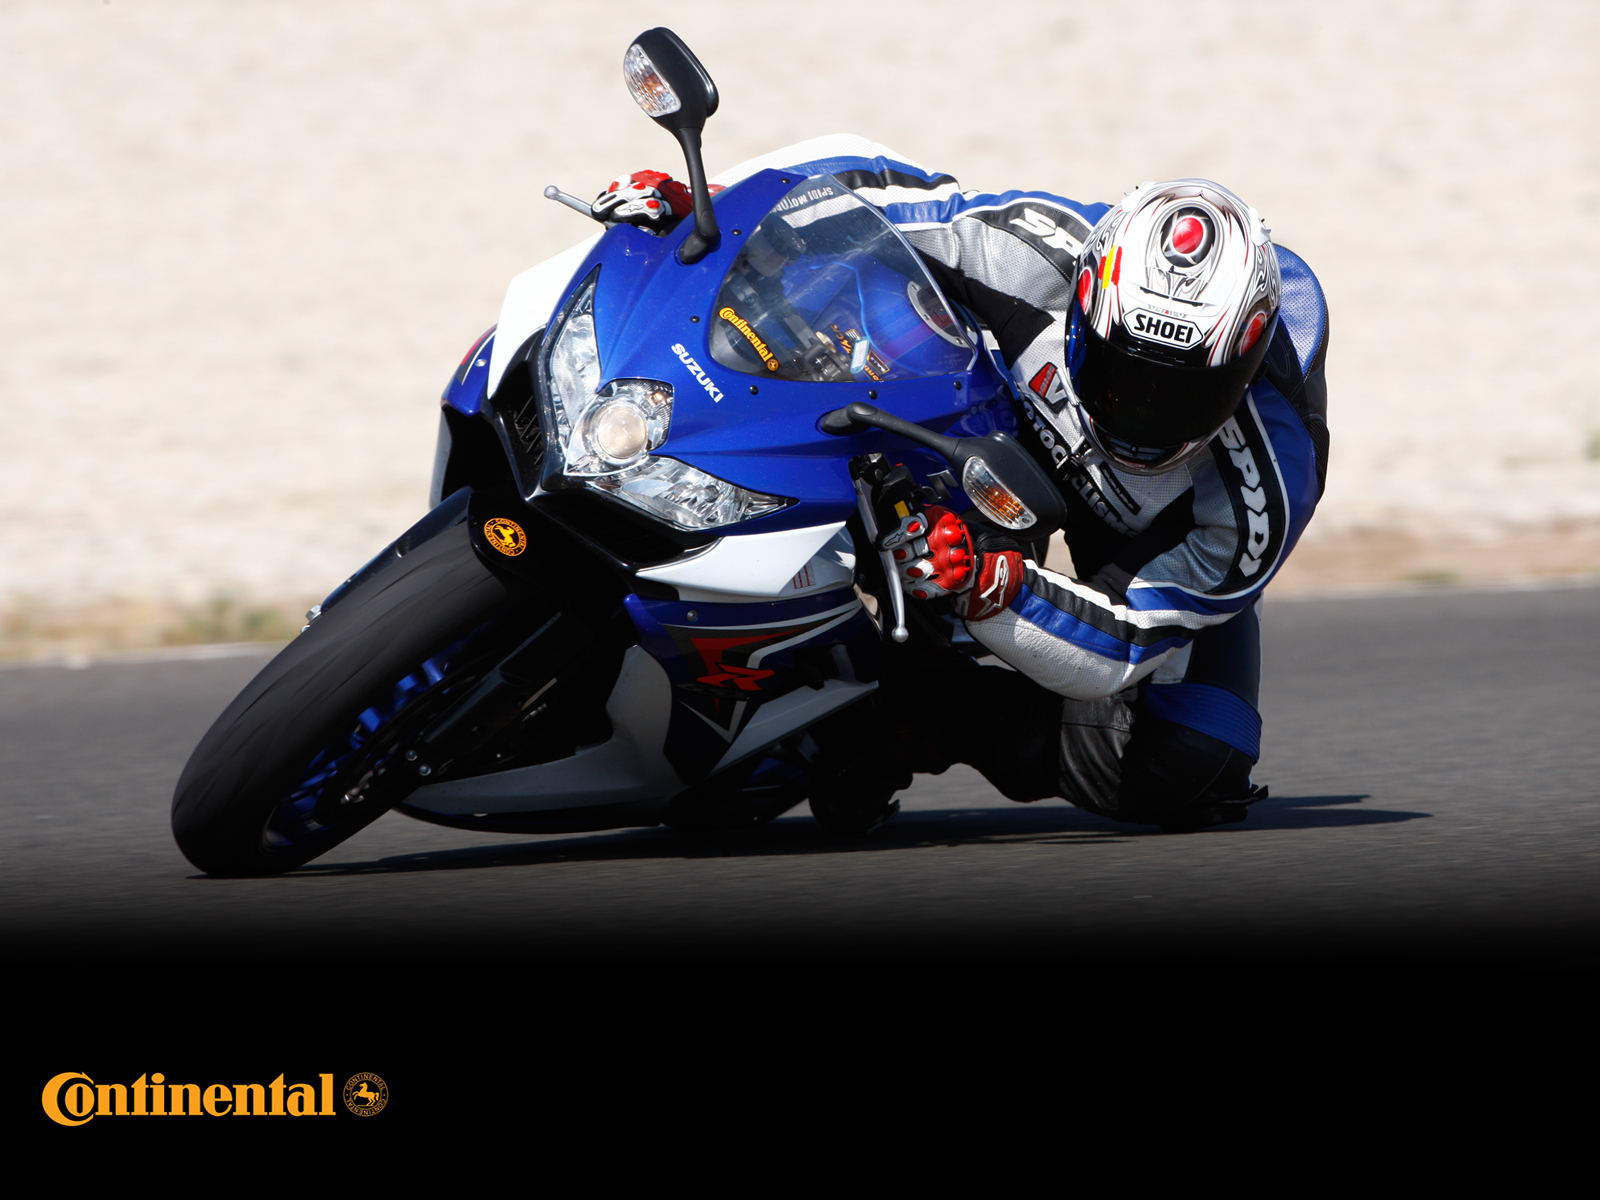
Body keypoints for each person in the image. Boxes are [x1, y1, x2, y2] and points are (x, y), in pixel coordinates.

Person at [593, 136, 1329, 832]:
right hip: (989, 435)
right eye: (1123, 372)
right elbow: (872, 196)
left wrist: (987, 583)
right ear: (1085, 297)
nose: (1142, 414)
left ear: (1247, 364)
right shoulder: (1036, 253)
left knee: (1194, 757)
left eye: (1182, 393)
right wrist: (718, 204)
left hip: (1142, 551)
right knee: (870, 312)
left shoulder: (1262, 487)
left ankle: (902, 716)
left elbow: (1126, 638)